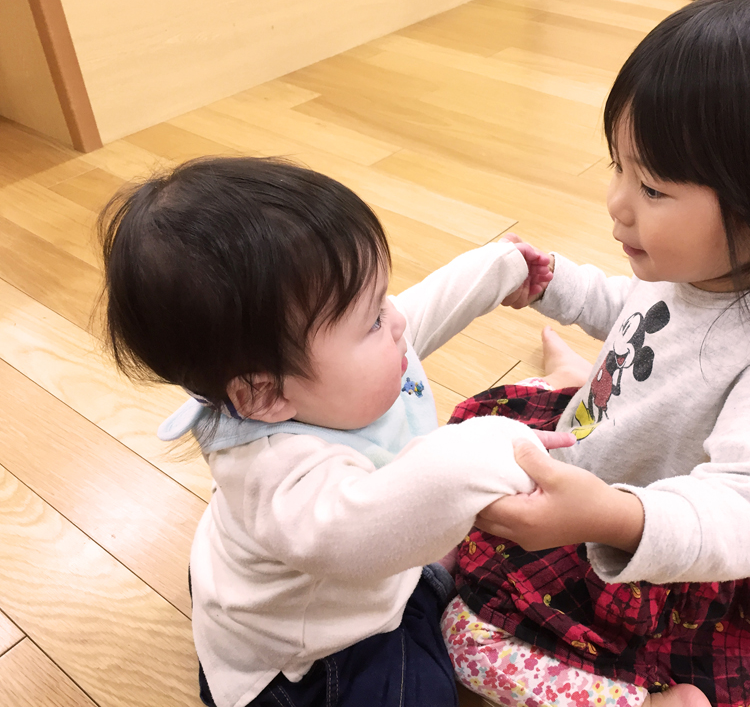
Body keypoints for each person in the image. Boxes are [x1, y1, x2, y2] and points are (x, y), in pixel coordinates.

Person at [441, 0, 750, 706]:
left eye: (650, 185)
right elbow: (638, 317)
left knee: (465, 637)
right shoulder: (697, 265)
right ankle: (576, 381)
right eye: (617, 167)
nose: (616, 202)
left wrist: (609, 517)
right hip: (592, 446)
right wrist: (554, 281)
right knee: (472, 438)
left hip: (650, 552)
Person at [98, 156, 575, 707]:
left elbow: (418, 313)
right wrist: (487, 448)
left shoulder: (316, 376)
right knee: (421, 689)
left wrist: (498, 270)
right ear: (266, 396)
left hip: (303, 580)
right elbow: (363, 531)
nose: (395, 321)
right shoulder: (279, 472)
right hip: (307, 656)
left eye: (383, 298)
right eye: (372, 318)